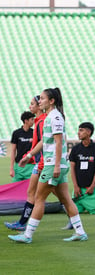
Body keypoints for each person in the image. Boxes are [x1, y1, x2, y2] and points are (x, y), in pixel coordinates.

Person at [8, 87, 87, 243]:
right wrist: (29, 156)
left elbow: (59, 142)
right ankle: (80, 232)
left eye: (43, 98)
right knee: (65, 199)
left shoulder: (55, 117)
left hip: (52, 165)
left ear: (51, 101)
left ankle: (27, 235)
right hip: (54, 164)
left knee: (39, 198)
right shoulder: (50, 117)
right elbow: (45, 141)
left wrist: (56, 166)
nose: (40, 101)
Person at [4, 96, 47, 231]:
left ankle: (26, 227)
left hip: (44, 164)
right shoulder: (20, 132)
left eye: (32, 103)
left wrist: (28, 156)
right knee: (34, 194)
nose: (30, 106)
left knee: (36, 196)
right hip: (39, 164)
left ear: (40, 105)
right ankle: (22, 223)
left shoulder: (43, 122)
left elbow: (44, 143)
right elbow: (14, 150)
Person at [69, 122, 95, 214]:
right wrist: (75, 186)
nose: (78, 133)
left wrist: (92, 186)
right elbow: (72, 169)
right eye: (78, 130)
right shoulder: (75, 149)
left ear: (89, 132)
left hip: (92, 188)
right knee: (74, 212)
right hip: (79, 189)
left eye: (81, 130)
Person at [9, 111, 35, 182]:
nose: (33, 121)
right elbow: (13, 151)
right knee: (15, 189)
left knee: (30, 191)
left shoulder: (34, 133)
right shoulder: (16, 133)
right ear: (26, 121)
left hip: (31, 166)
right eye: (32, 119)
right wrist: (11, 168)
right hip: (18, 166)